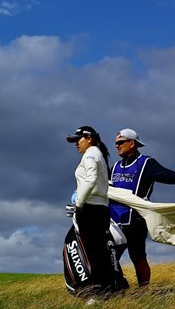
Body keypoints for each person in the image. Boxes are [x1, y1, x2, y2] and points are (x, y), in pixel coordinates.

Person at [110, 128, 175, 286]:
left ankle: (144, 292)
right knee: (109, 256)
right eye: (115, 144)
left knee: (138, 257)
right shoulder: (114, 167)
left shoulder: (146, 163)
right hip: (113, 221)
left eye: (120, 142)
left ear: (132, 143)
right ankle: (117, 287)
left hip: (135, 220)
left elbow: (166, 175)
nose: (117, 146)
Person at [66, 126, 114, 296]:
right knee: (100, 251)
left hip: (90, 209)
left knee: (92, 253)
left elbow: (91, 178)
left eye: (78, 140)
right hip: (101, 208)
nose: (76, 144)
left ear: (89, 138)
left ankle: (96, 292)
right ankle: (108, 289)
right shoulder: (98, 153)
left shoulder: (91, 153)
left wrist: (79, 202)